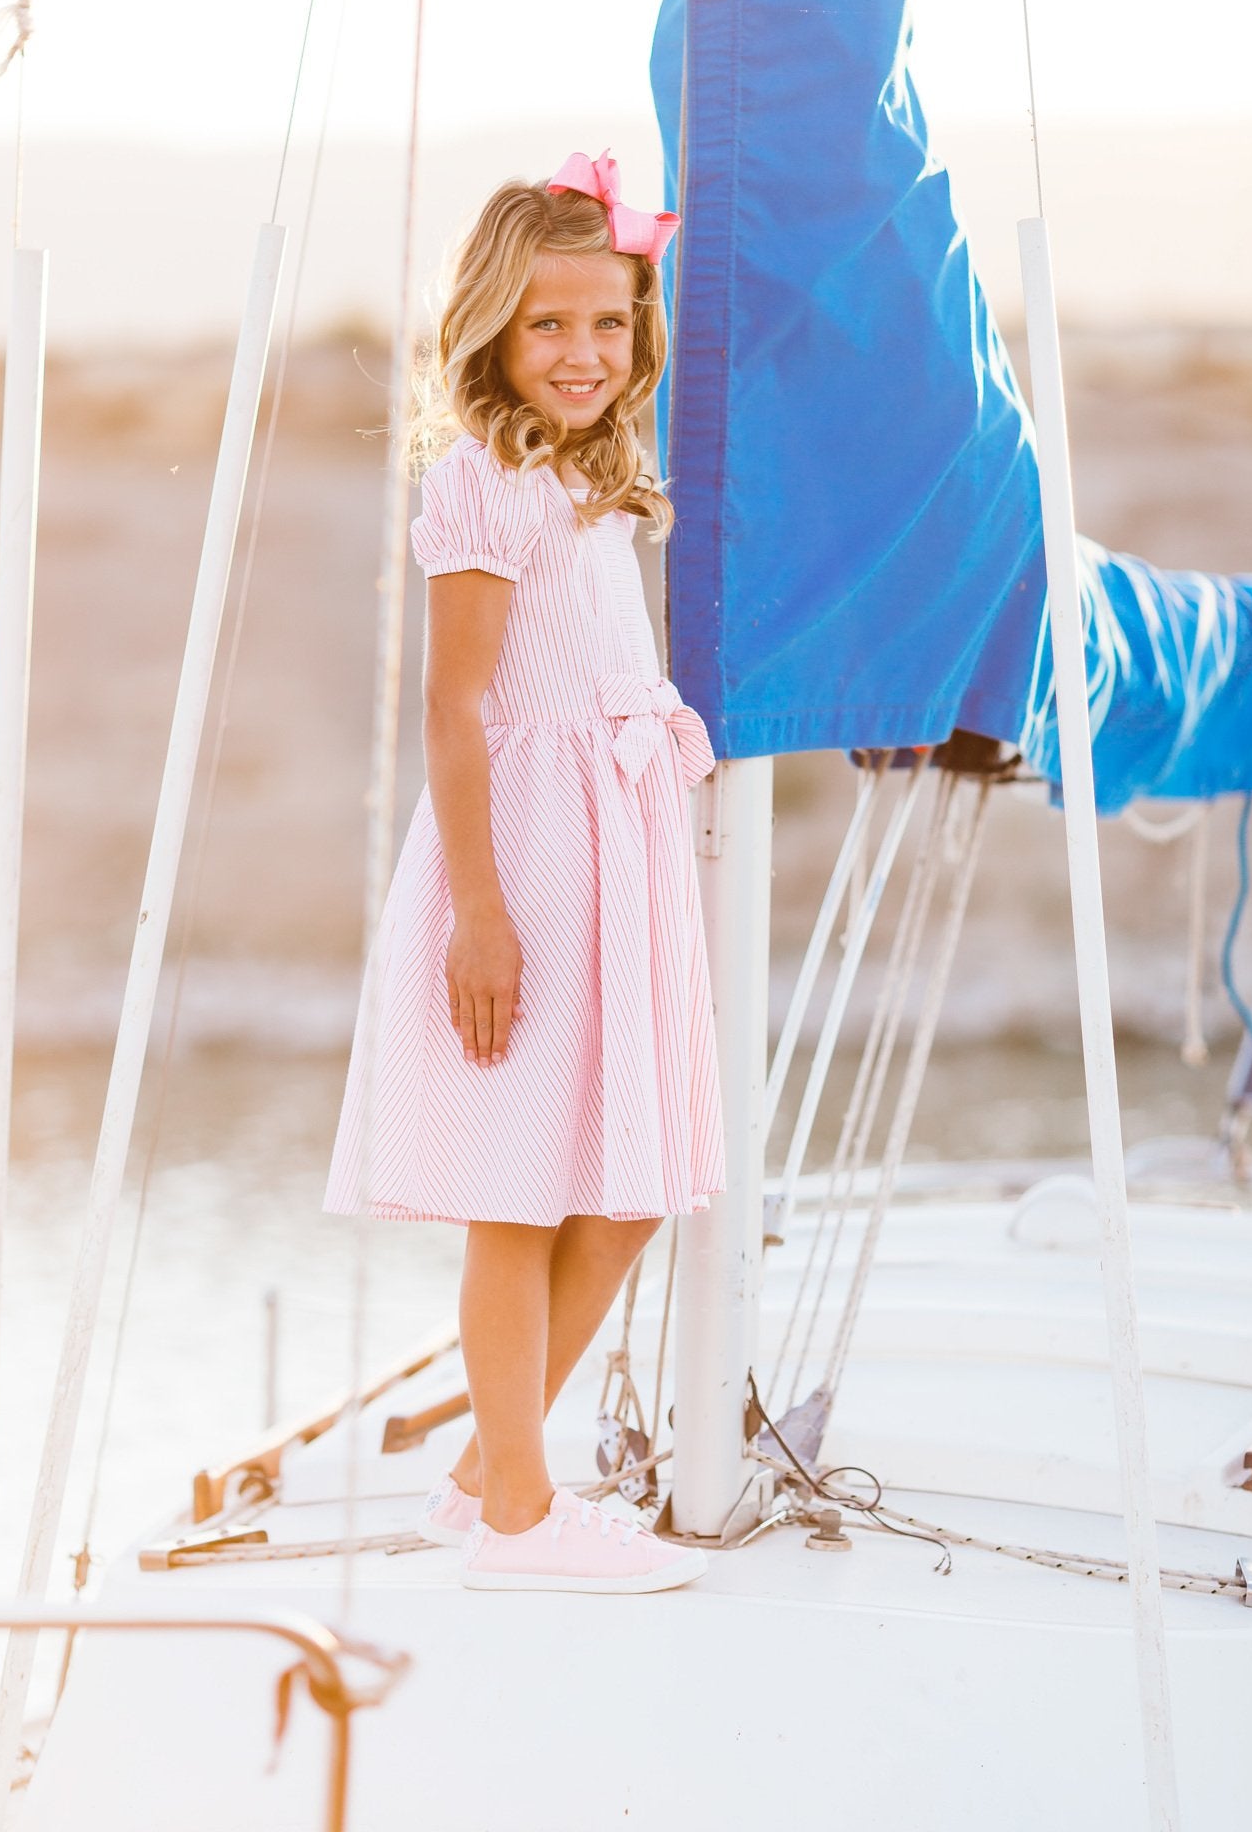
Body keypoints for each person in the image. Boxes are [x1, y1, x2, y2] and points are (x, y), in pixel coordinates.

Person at [323, 149, 726, 1594]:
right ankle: (518, 1522)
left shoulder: (598, 473)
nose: (581, 352)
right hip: (533, 854)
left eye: (609, 324)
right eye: (550, 325)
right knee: (525, 1190)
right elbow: (457, 707)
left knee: (625, 1188)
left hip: (621, 847)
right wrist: (480, 913)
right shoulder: (483, 477)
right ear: (495, 327)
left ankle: (489, 1469)